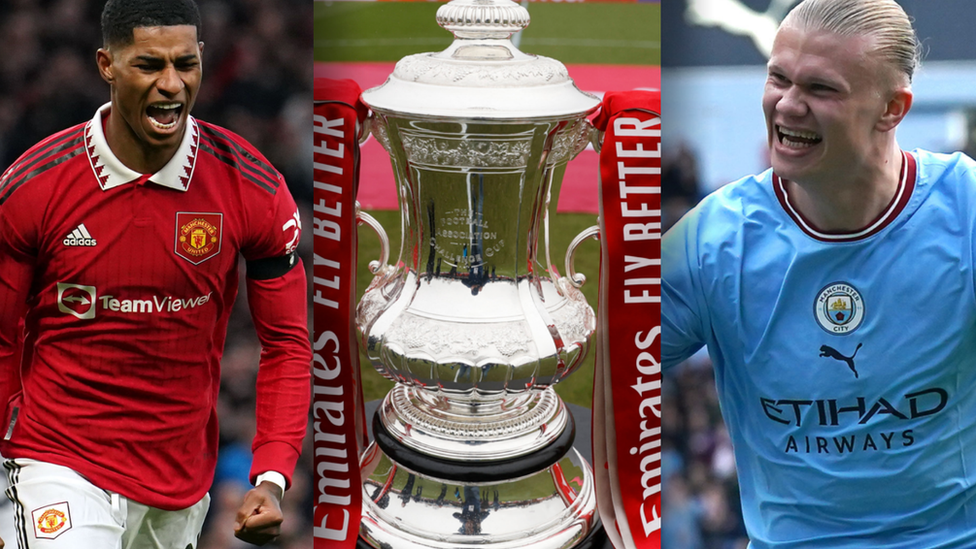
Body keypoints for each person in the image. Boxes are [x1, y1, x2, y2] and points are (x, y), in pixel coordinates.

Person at [663, 0, 976, 547]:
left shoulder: (965, 210)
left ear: (892, 109)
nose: (788, 105)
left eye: (821, 89)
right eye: (778, 78)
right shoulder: (712, 242)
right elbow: (613, 368)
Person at [0, 0, 311, 547]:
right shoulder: (34, 186)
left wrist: (272, 474)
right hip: (59, 461)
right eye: (149, 65)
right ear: (107, 65)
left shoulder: (250, 186)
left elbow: (287, 343)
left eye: (185, 64)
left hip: (178, 484)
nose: (172, 84)